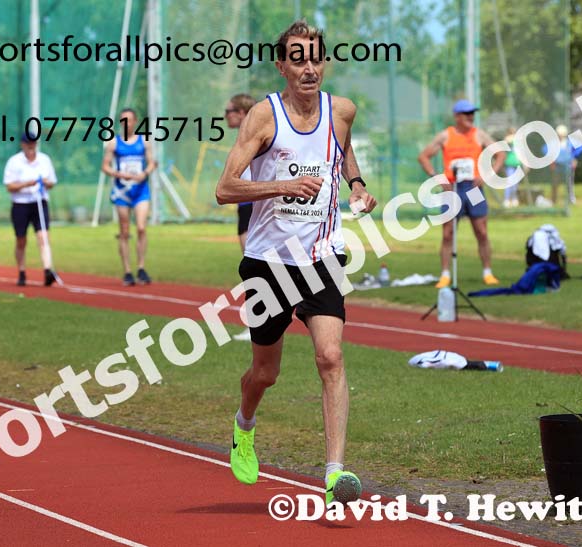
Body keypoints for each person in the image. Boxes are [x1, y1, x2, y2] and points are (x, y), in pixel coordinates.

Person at [215, 20, 377, 505]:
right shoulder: (264, 117)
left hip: (322, 257)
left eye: (316, 58)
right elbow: (224, 189)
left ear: (324, 63)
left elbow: (341, 153)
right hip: (267, 263)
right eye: (298, 59)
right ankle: (245, 426)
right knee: (265, 373)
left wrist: (356, 185)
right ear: (282, 65)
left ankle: (334, 475)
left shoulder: (342, 111)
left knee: (331, 357)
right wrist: (281, 185)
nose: (309, 68)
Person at [417, 100, 505, 288]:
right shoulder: (445, 136)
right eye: (466, 114)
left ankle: (488, 272)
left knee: (481, 232)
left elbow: (500, 154)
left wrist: (487, 174)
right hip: (452, 189)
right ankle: (445, 274)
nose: (471, 117)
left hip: (473, 189)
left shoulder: (479, 134)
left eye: (472, 113)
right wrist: (437, 177)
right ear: (457, 116)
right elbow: (423, 156)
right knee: (448, 233)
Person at [101, 108, 156, 286]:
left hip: (140, 190)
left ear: (135, 121)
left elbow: (152, 162)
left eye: (129, 120)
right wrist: (118, 174)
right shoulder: (114, 143)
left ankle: (141, 267)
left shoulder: (144, 141)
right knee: (124, 231)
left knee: (141, 228)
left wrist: (145, 173)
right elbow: (105, 166)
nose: (126, 124)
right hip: (122, 192)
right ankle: (127, 270)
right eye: (122, 120)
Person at [3, 131, 58, 287]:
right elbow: (9, 185)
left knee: (43, 236)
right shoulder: (14, 162)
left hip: (39, 202)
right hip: (21, 204)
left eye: (33, 143)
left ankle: (47, 270)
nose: (31, 146)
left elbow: (52, 182)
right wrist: (27, 184)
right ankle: (21, 271)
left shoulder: (44, 160)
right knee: (21, 239)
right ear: (22, 144)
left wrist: (45, 183)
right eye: (28, 143)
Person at [225, 94, 258, 343]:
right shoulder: (243, 137)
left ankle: (256, 325)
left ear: (243, 112)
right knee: (254, 268)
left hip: (254, 206)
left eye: (230, 111)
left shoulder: (257, 135)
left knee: (255, 268)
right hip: (244, 205)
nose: (226, 115)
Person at [502, 127, 524, 208]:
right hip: (509, 164)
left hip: (517, 164)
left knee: (515, 183)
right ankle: (507, 200)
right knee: (509, 182)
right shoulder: (508, 140)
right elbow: (507, 142)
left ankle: (514, 199)